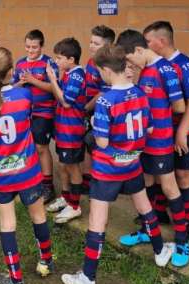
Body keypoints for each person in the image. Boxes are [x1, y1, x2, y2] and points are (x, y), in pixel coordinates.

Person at [61, 44, 174, 284]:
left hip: (107, 170)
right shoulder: (140, 93)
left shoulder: (105, 100)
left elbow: (101, 142)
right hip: (132, 163)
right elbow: (150, 129)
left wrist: (93, 125)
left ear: (105, 70)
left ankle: (88, 278)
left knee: (97, 221)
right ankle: (159, 251)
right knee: (144, 206)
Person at [0, 47, 54, 284]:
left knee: (7, 223)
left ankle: (16, 281)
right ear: (11, 71)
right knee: (38, 215)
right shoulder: (24, 96)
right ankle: (46, 262)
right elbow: (25, 124)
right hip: (29, 170)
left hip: (3, 175)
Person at [116, 29, 189, 268]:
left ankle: (182, 240)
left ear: (139, 50)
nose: (130, 64)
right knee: (145, 184)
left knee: (169, 187)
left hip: (159, 141)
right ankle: (147, 230)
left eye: (130, 59)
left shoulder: (165, 70)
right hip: (142, 141)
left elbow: (179, 106)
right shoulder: (145, 70)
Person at [143, 20, 189, 264]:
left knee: (183, 175)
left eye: (149, 41)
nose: (146, 46)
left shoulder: (185, 65)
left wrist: (182, 132)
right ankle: (161, 215)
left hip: (185, 130)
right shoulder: (154, 66)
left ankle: (186, 223)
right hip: (162, 131)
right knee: (161, 175)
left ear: (162, 41)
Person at [11, 29, 58, 204]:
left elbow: (55, 89)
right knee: (27, 147)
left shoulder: (49, 63)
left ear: (42, 46)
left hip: (44, 112)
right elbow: (13, 86)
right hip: (25, 112)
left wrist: (33, 80)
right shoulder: (20, 63)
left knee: (41, 148)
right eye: (28, 47)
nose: (31, 51)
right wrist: (20, 83)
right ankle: (32, 180)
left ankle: (48, 186)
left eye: (34, 47)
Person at [45, 37, 87, 224]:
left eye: (59, 58)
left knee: (73, 167)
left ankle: (75, 206)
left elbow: (66, 102)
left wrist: (53, 80)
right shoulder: (69, 73)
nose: (56, 61)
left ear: (71, 59)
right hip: (63, 128)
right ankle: (66, 197)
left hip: (72, 130)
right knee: (63, 165)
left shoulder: (77, 75)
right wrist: (60, 78)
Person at [82, 25, 116, 195]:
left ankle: (102, 182)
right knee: (89, 143)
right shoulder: (90, 61)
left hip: (102, 111)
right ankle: (88, 179)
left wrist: (86, 108)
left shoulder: (107, 66)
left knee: (99, 146)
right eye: (91, 42)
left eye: (96, 43)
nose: (91, 46)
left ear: (108, 46)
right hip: (90, 110)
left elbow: (103, 92)